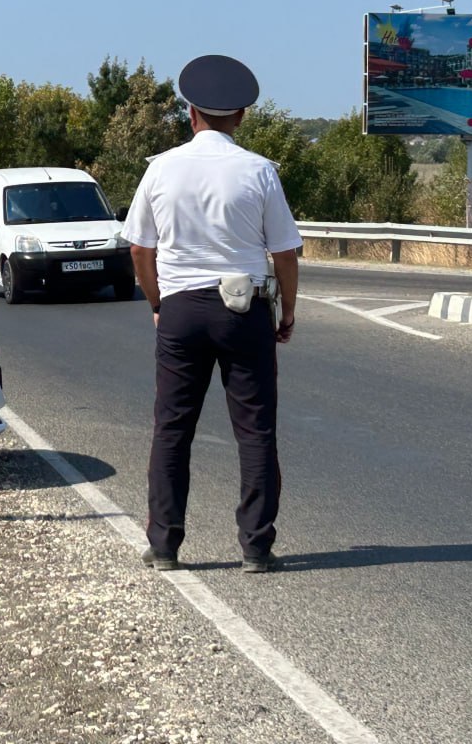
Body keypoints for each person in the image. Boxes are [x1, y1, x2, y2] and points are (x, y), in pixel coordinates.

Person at [121, 54, 301, 574]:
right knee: (255, 431)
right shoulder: (259, 172)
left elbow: (139, 249)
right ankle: (256, 548)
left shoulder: (161, 169)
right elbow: (285, 253)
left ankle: (164, 546)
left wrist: (158, 303)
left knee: (172, 429)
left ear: (190, 113)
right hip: (244, 312)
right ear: (241, 117)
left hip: (180, 309)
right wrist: (286, 313)